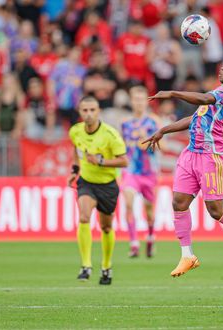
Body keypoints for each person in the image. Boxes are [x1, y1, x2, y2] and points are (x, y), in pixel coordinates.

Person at [143, 48, 223, 277]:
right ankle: (187, 255)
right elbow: (196, 116)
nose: (222, 68)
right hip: (191, 153)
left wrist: (172, 93)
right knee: (179, 202)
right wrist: (164, 130)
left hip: (211, 156)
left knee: (215, 209)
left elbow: (205, 99)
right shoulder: (219, 91)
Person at [68, 96, 128, 285]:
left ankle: (106, 266)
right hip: (87, 182)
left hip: (108, 185)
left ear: (98, 111)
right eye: (84, 110)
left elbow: (124, 161)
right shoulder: (75, 132)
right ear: (80, 112)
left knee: (106, 227)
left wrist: (101, 161)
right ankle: (86, 266)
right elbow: (76, 150)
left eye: (92, 110)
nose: (88, 114)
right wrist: (75, 170)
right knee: (84, 217)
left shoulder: (111, 135)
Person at [121, 86, 160, 258]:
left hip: (148, 172)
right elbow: (121, 146)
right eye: (135, 99)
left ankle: (150, 237)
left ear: (147, 101)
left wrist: (148, 140)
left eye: (141, 99)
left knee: (149, 211)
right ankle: (134, 243)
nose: (138, 102)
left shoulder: (154, 122)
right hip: (130, 170)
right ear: (131, 101)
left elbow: (163, 146)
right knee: (128, 203)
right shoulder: (125, 123)